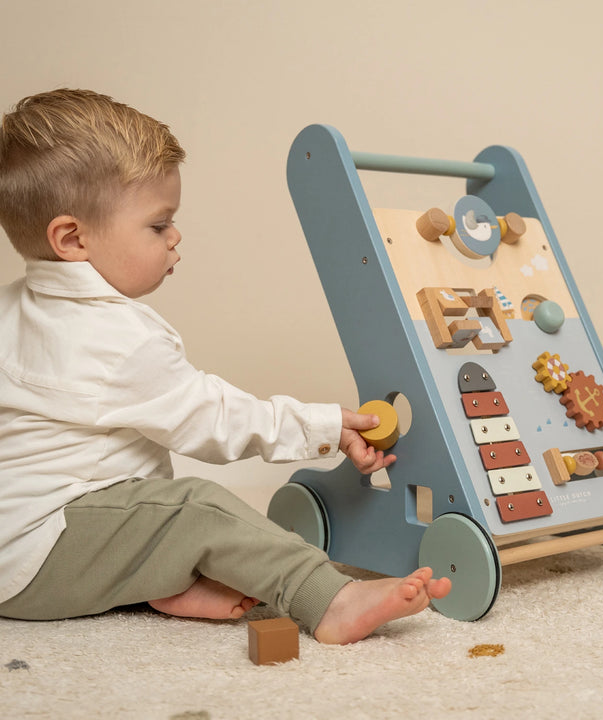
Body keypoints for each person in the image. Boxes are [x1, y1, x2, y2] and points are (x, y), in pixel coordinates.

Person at [0, 89, 450, 644]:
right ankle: (328, 597)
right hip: (39, 556)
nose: (175, 236)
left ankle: (156, 581)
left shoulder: (13, 310)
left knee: (148, 509)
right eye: (158, 224)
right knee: (196, 507)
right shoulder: (113, 338)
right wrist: (325, 427)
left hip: (25, 549)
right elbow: (215, 419)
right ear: (72, 238)